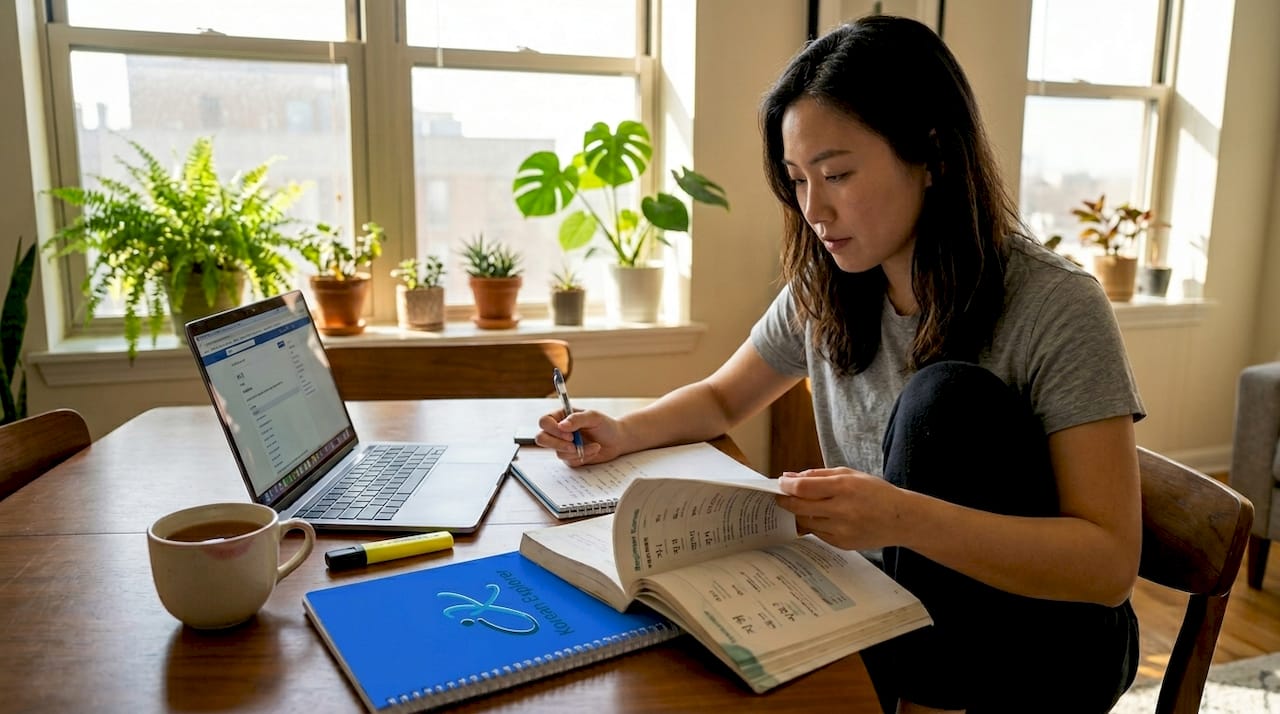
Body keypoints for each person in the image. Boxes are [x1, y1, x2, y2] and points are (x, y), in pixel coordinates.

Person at [535, 15, 1141, 714]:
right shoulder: (831, 285)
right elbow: (723, 400)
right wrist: (624, 430)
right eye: (796, 180)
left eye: (838, 174)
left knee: (943, 403)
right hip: (890, 604)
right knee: (672, 635)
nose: (814, 209)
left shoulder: (1055, 304)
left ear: (933, 155)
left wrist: (902, 519)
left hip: (1049, 636)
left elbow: (1108, 566)